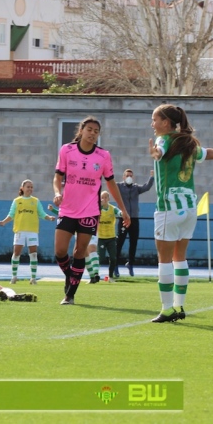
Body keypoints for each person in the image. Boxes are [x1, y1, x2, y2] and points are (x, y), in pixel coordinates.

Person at [148, 104, 213, 323]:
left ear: (166, 122)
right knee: (180, 257)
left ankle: (167, 308)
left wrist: (156, 152)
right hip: (189, 205)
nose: (152, 124)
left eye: (155, 119)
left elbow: (159, 150)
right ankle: (179, 306)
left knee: (164, 259)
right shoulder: (188, 142)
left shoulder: (164, 140)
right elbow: (206, 153)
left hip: (168, 206)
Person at [52, 116, 130, 305]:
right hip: (68, 209)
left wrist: (123, 210)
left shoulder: (103, 156)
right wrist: (57, 192)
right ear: (81, 130)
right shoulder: (66, 150)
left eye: (96, 131)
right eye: (89, 129)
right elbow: (57, 177)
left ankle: (70, 294)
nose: (93, 133)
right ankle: (70, 276)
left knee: (80, 252)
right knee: (60, 251)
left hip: (90, 211)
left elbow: (111, 184)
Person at [0, 179, 55, 285]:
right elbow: (11, 214)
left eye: (31, 187)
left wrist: (49, 217)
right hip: (19, 230)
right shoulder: (17, 201)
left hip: (32, 231)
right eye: (28, 187)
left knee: (33, 254)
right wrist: (4, 222)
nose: (30, 189)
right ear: (22, 188)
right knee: (16, 253)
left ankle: (33, 278)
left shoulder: (35, 201)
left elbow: (42, 213)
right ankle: (14, 276)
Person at [115, 168, 154, 277]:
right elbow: (110, 184)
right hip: (124, 218)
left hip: (135, 219)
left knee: (134, 243)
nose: (129, 177)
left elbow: (147, 187)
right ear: (123, 177)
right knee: (119, 242)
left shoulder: (136, 188)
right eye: (127, 175)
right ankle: (115, 265)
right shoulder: (119, 187)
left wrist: (152, 177)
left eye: (131, 176)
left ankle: (130, 264)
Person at [96, 191, 122, 283]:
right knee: (101, 257)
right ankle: (95, 275)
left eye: (106, 197)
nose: (104, 199)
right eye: (102, 197)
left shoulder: (112, 209)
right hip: (101, 238)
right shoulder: (97, 210)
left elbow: (119, 212)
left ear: (109, 199)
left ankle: (110, 276)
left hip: (111, 237)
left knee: (113, 258)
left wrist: (122, 214)